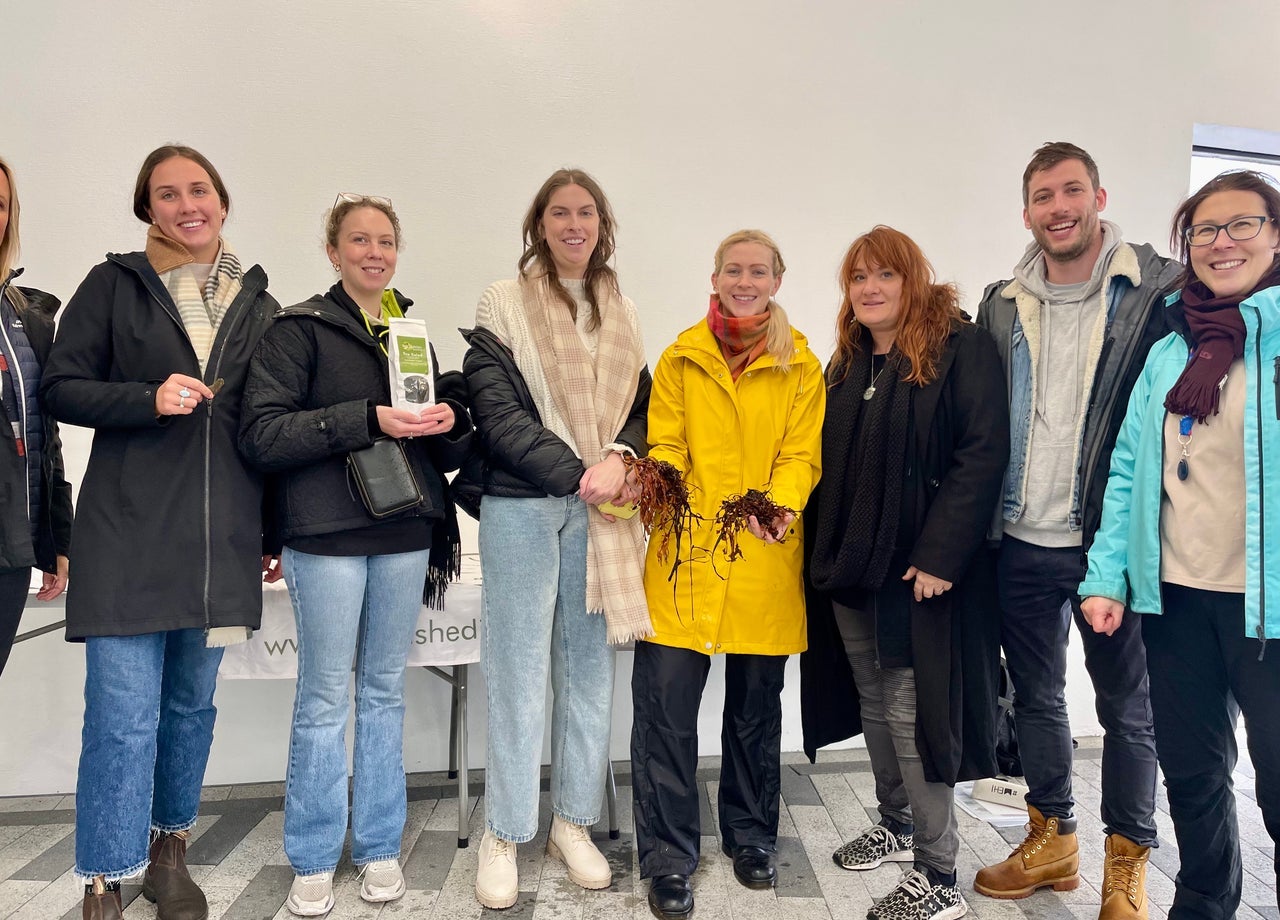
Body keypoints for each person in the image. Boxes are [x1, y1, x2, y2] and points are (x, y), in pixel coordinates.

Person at [41, 145, 278, 920]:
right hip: (126, 536)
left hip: (220, 545)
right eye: (167, 194)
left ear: (222, 199)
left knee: (189, 710)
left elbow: (267, 426)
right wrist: (147, 397)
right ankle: (104, 875)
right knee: (121, 715)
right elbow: (62, 387)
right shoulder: (114, 285)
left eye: (199, 189)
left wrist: (269, 528)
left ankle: (168, 851)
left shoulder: (257, 300)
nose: (186, 205)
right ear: (149, 209)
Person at [239, 194, 472, 916]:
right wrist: (364, 418)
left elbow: (437, 445)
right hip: (326, 537)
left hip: (404, 534)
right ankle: (311, 857)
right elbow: (264, 435)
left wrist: (447, 419)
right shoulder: (295, 330)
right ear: (333, 252)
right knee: (321, 699)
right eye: (360, 240)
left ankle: (376, 848)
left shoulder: (409, 330)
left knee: (382, 694)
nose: (375, 252)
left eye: (386, 241)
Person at [973, 141, 1179, 920]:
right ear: (1026, 212)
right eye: (1043, 197)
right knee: (1035, 698)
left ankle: (1126, 866)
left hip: (1109, 544)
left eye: (1071, 192)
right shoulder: (1003, 303)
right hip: (1022, 538)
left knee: (1129, 710)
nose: (1058, 208)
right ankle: (1052, 837)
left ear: (1099, 195)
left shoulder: (1153, 292)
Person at [1081, 169, 1280, 920]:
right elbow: (1130, 469)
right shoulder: (1172, 349)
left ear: (1276, 233)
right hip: (1179, 601)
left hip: (1272, 613)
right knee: (1194, 776)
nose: (1221, 242)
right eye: (1204, 229)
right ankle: (1202, 905)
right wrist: (1105, 577)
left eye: (1242, 225)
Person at [801, 225, 1007, 920]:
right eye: (858, 277)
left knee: (913, 716)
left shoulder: (958, 348)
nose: (870, 288)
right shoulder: (848, 363)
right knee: (872, 703)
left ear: (912, 278)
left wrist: (942, 556)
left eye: (884, 274)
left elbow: (981, 455)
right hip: (854, 570)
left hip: (921, 574)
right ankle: (895, 825)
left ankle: (940, 875)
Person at [460, 168, 651, 910]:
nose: (574, 224)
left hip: (602, 514)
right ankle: (504, 832)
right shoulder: (501, 302)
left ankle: (572, 823)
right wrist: (583, 474)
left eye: (587, 213)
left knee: (587, 672)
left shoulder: (624, 309)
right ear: (539, 224)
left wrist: (621, 461)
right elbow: (498, 412)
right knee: (515, 670)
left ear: (603, 226)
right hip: (525, 506)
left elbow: (642, 405)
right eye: (559, 213)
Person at [631, 229, 824, 920]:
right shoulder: (681, 356)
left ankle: (750, 838)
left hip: (762, 555)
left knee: (752, 713)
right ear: (715, 278)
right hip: (683, 559)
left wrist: (778, 506)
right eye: (733, 270)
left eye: (759, 271)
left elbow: (802, 455)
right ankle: (668, 857)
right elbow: (666, 440)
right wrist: (667, 483)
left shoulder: (802, 365)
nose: (745, 280)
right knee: (666, 717)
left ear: (776, 280)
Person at [0, 155, 71, 677]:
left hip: (12, 547)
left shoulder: (28, 315)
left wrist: (57, 539)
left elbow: (46, 438)